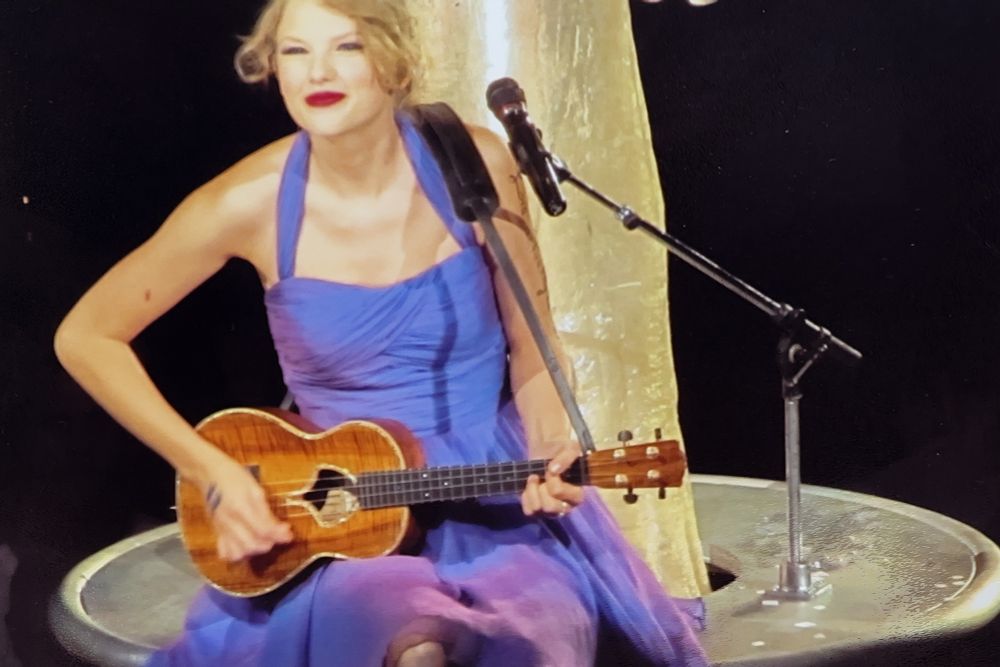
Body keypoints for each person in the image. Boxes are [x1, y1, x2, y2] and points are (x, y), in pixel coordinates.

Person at [54, 0, 708, 664]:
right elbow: (87, 336)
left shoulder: (474, 163)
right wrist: (212, 470)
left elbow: (533, 351)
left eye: (347, 47)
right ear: (271, 67)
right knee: (393, 624)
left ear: (394, 60)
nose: (318, 72)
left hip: (493, 500)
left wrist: (550, 450)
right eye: (295, 51)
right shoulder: (244, 202)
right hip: (345, 520)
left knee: (534, 635)